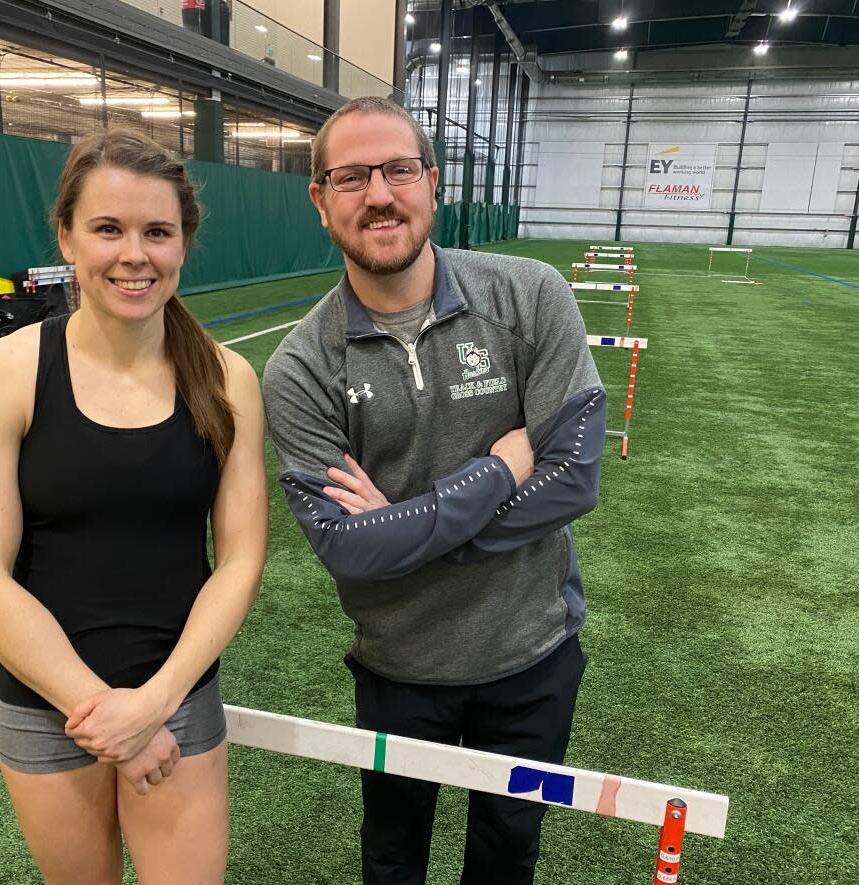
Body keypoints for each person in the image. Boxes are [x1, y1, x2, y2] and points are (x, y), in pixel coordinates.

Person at [262, 96, 607, 885]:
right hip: (398, 671)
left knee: (507, 852)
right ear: (320, 200)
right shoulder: (303, 367)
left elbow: (575, 478)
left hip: (532, 658)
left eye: (398, 169)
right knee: (391, 857)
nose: (378, 194)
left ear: (434, 182)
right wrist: (499, 469)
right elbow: (351, 549)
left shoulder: (530, 296)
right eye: (350, 177)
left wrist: (413, 531)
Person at [0, 129, 267, 885]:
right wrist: (101, 711)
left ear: (184, 242)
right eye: (108, 228)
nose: (135, 254)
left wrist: (155, 703)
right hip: (44, 705)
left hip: (177, 700)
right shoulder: (2, 372)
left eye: (157, 231)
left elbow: (241, 559)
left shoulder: (227, 379)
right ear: (65, 235)